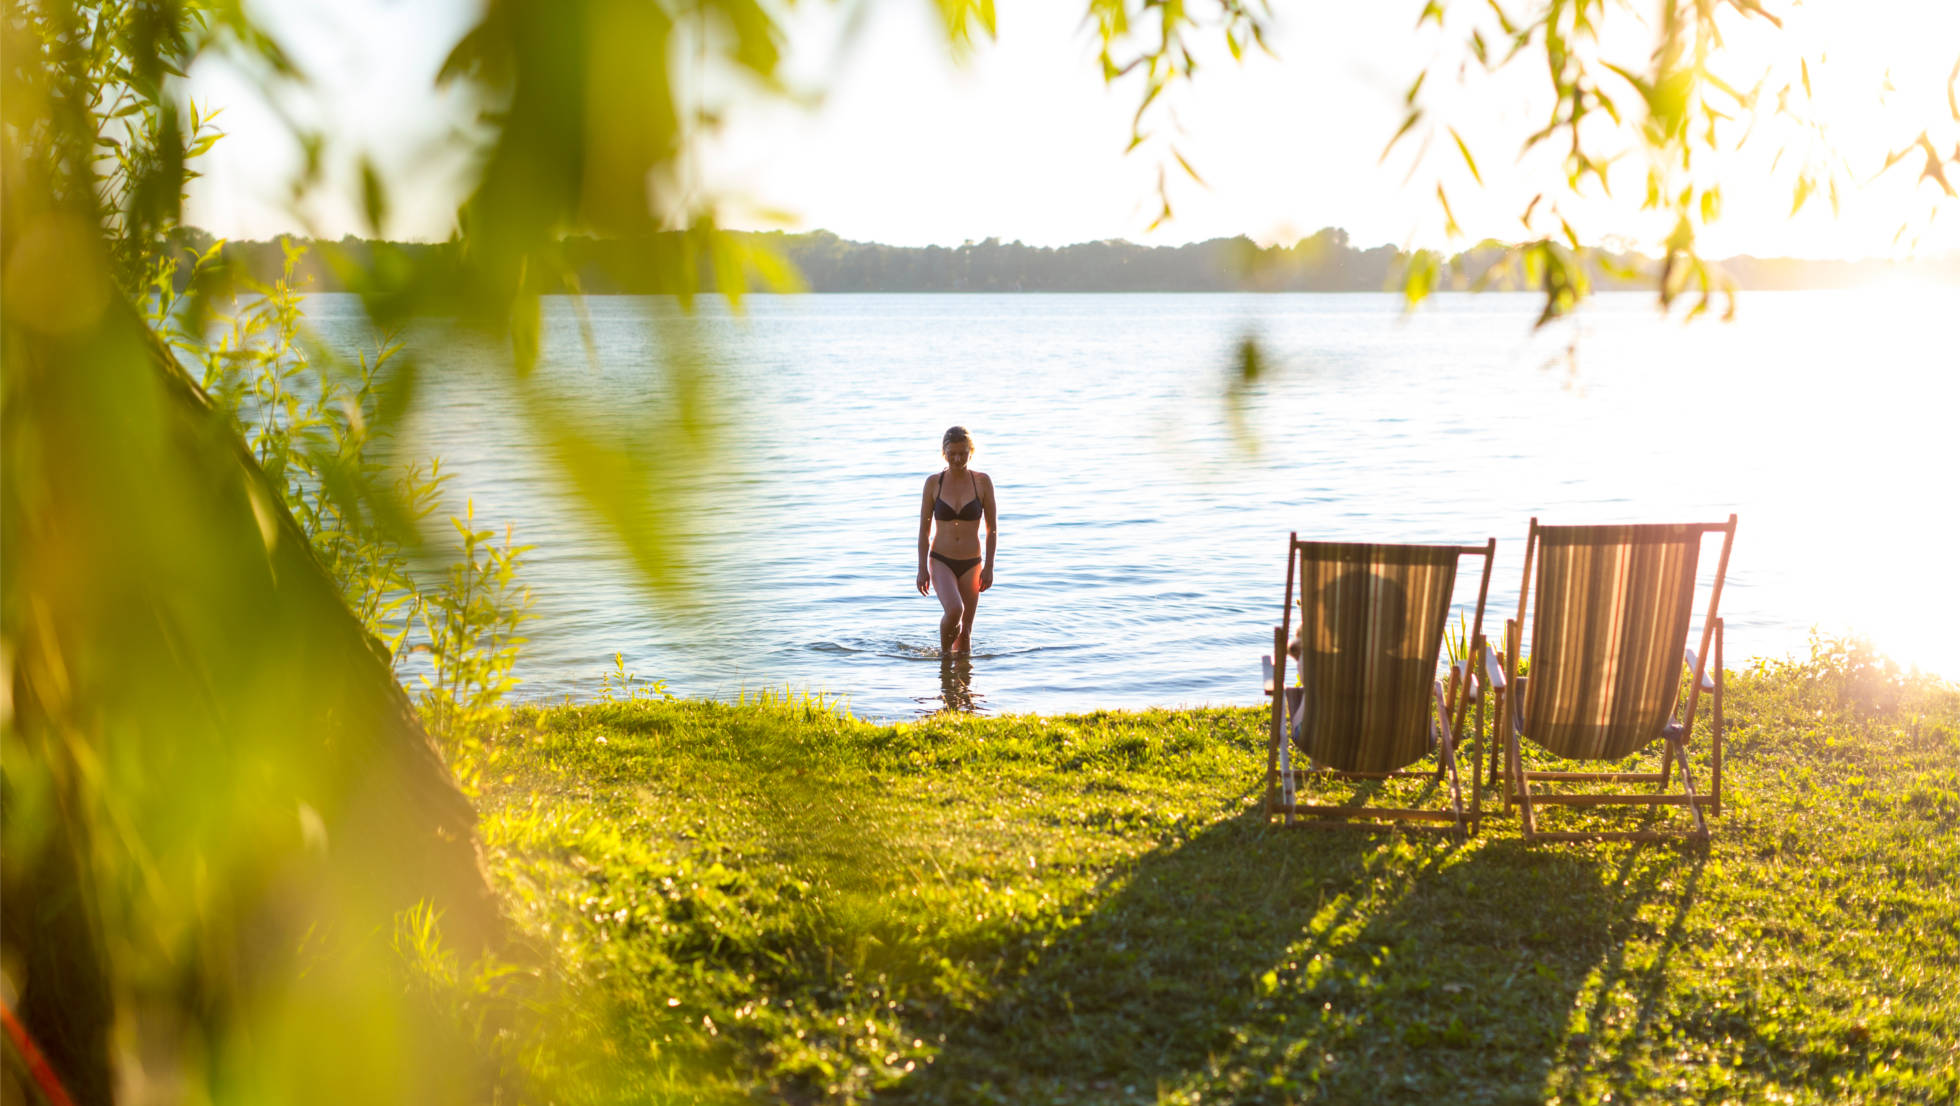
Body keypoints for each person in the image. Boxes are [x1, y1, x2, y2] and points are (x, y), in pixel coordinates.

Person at [916, 426, 996, 655]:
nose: (958, 458)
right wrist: (922, 569)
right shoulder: (934, 483)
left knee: (966, 632)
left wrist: (989, 566)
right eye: (952, 453)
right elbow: (923, 530)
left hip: (972, 562)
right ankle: (943, 658)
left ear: (971, 452)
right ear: (944, 453)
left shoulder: (982, 482)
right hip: (941, 560)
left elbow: (992, 529)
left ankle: (961, 685)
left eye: (963, 453)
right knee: (954, 611)